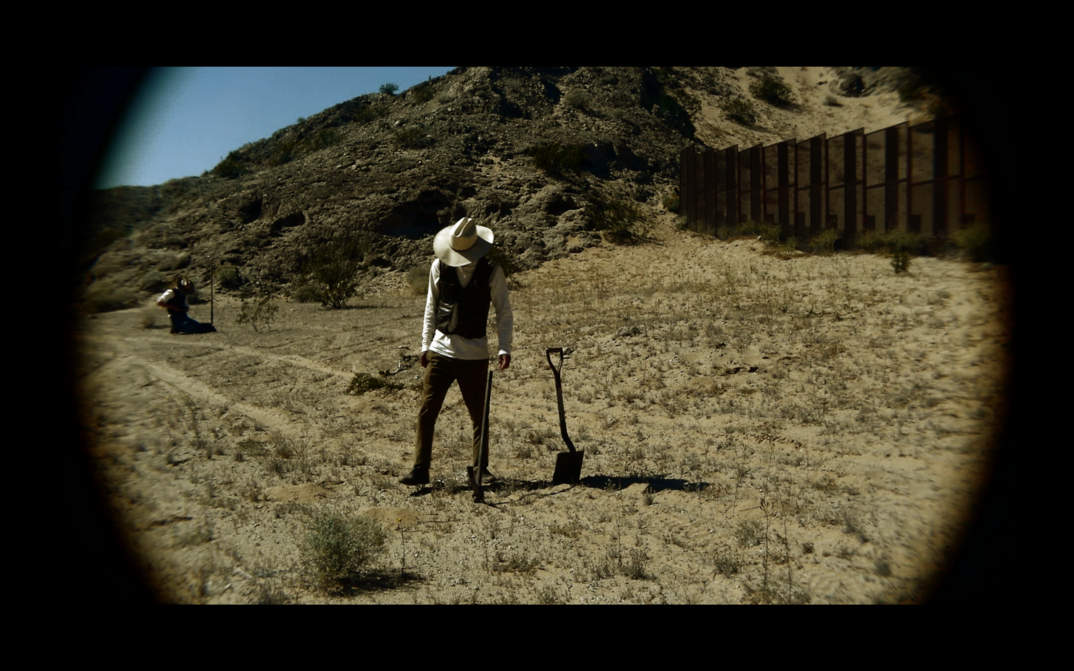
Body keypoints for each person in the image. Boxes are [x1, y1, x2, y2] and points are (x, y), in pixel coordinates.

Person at [399, 217, 513, 486]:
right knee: (427, 411)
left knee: (479, 415)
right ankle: (420, 468)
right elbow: (431, 306)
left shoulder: (493, 272)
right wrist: (425, 345)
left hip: (475, 355)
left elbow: (503, 311)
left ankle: (480, 468)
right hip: (441, 351)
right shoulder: (439, 265)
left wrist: (504, 346)